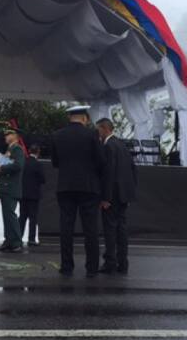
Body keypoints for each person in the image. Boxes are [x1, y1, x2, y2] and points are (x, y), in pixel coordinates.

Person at [51, 105, 107, 277]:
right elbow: (101, 161)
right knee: (90, 229)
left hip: (65, 186)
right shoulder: (92, 135)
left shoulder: (57, 135)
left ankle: (67, 266)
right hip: (88, 187)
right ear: (84, 118)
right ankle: (92, 268)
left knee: (66, 228)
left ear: (70, 117)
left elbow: (55, 162)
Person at [96, 118, 137, 274]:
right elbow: (133, 170)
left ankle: (110, 262)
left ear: (104, 128)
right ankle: (123, 262)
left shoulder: (108, 146)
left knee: (110, 231)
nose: (97, 133)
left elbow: (108, 174)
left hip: (112, 196)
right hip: (123, 196)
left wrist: (105, 198)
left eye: (98, 129)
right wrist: (129, 194)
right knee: (121, 231)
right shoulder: (122, 145)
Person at [0, 128, 25, 253]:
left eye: (8, 134)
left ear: (15, 136)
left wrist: (2, 167)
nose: (5, 136)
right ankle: (9, 241)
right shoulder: (10, 150)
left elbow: (18, 166)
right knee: (7, 216)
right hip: (6, 187)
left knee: (10, 215)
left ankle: (16, 242)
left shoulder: (17, 149)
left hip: (11, 188)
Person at [20, 144, 46, 247]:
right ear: (38, 152)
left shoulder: (23, 162)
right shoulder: (38, 164)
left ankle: (19, 237)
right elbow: (43, 179)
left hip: (23, 193)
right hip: (34, 194)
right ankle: (31, 239)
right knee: (33, 218)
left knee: (22, 217)